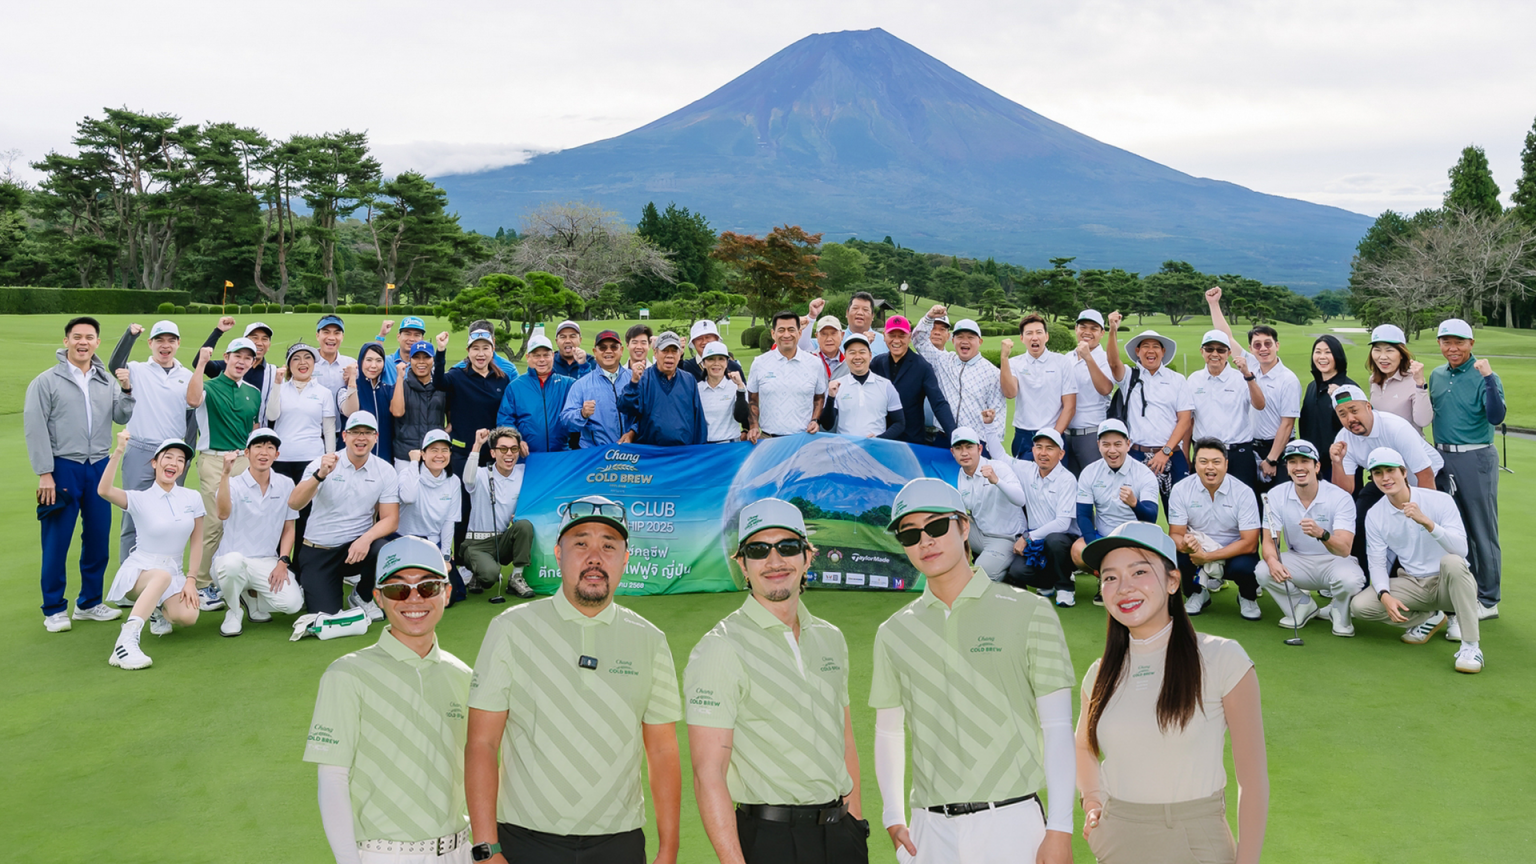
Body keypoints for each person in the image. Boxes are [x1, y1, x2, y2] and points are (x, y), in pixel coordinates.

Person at [466, 496, 682, 864]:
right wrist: (487, 849)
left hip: (620, 841)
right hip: (524, 839)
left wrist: (668, 850)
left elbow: (662, 751)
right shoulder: (510, 629)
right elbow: (482, 743)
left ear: (625, 558)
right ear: (558, 554)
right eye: (581, 543)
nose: (594, 557)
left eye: (608, 546)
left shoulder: (650, 639)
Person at [873, 478, 1075, 864]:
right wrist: (893, 814)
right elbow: (888, 729)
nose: (925, 541)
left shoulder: (1031, 611)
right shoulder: (894, 632)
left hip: (1013, 824)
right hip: (929, 832)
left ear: (964, 527)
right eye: (910, 534)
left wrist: (1061, 827)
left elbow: (1057, 727)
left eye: (935, 527)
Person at [686, 498, 867, 864]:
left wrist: (857, 829)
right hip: (770, 841)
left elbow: (844, 741)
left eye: (787, 547)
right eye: (758, 549)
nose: (774, 561)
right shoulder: (720, 648)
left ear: (807, 557)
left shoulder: (830, 637)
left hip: (841, 836)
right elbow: (710, 774)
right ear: (743, 564)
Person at [1076, 521, 1268, 864]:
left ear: (1172, 580)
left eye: (1139, 572)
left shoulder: (1223, 658)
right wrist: (1092, 801)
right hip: (1116, 840)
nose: (1123, 588)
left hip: (1195, 840)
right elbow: (1082, 744)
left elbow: (1252, 781)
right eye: (1110, 577)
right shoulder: (1099, 673)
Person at [304, 535, 474, 864]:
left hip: (462, 852)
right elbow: (332, 779)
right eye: (398, 589)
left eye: (428, 587)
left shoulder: (463, 676)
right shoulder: (346, 675)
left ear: (447, 593)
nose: (413, 599)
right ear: (378, 597)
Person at [27, 316, 136, 631]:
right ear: (66, 341)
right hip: (62, 467)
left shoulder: (105, 380)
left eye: (89, 337)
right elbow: (35, 430)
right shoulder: (46, 381)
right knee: (57, 540)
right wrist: (45, 473)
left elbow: (120, 414)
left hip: (99, 466)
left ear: (97, 343)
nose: (83, 342)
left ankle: (89, 602)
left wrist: (127, 389)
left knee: (99, 537)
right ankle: (54, 609)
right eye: (77, 336)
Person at [1348, 447, 1485, 673]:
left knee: (1451, 561)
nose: (1385, 478)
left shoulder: (1439, 500)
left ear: (1403, 472)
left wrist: (1427, 522)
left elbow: (1460, 549)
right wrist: (1384, 595)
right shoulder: (1375, 514)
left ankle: (1471, 647)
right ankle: (1428, 617)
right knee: (1360, 606)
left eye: (1390, 470)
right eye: (1378, 473)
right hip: (1413, 584)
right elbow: (1377, 562)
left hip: (1449, 585)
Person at [99, 433, 203, 669]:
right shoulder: (139, 498)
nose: (174, 464)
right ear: (155, 462)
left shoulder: (192, 497)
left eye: (180, 460)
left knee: (188, 617)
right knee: (161, 576)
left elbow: (197, 541)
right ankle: (125, 642)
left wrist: (191, 580)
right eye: (168, 457)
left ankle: (155, 607)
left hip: (173, 572)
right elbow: (104, 490)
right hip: (141, 571)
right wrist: (118, 451)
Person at [289, 411, 401, 626]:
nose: (361, 438)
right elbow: (295, 503)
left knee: (383, 549)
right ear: (345, 436)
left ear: (376, 437)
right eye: (356, 432)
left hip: (355, 549)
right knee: (326, 615)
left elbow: (390, 519)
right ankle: (313, 586)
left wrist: (365, 539)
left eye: (367, 433)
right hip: (319, 549)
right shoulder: (322, 464)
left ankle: (362, 594)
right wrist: (320, 475)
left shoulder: (385, 470)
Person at [1429, 317, 1505, 617]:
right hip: (1443, 458)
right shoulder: (1436, 375)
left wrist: (1488, 378)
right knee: (1455, 528)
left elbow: (1496, 416)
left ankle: (1489, 600)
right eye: (1446, 342)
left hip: (1476, 457)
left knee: (1481, 527)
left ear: (1471, 344)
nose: (1453, 348)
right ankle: (1467, 590)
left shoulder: (1485, 375)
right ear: (1439, 344)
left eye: (1459, 342)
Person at [1327, 384, 1444, 573]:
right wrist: (1337, 463)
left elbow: (1425, 475)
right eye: (1342, 414)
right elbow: (1344, 490)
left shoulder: (1395, 427)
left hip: (1427, 480)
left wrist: (1421, 516)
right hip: (1385, 482)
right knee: (1358, 520)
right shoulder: (1343, 439)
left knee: (1418, 531)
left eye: (1354, 410)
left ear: (1368, 407)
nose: (1350, 419)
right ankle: (1360, 582)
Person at [1253, 439, 1363, 637]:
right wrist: (1271, 560)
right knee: (1263, 570)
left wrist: (1322, 534)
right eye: (1292, 462)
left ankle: (1338, 609)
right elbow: (1270, 541)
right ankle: (1302, 605)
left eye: (1305, 461)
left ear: (1317, 466)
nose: (1299, 467)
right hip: (1298, 559)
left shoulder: (1340, 497)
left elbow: (1345, 549)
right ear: (1287, 468)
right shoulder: (1276, 495)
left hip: (1334, 561)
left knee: (1350, 580)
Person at [105, 320, 193, 565]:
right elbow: (115, 365)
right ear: (151, 343)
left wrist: (187, 456)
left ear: (178, 343)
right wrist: (130, 334)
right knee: (133, 515)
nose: (165, 346)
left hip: (173, 453)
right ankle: (130, 582)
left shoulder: (186, 376)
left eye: (171, 340)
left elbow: (191, 415)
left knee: (170, 516)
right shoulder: (136, 369)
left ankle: (165, 576)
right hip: (140, 449)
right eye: (160, 340)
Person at [187, 338, 263, 610]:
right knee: (215, 523)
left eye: (248, 358)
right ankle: (201, 583)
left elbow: (253, 426)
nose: (242, 362)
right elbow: (193, 399)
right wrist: (202, 365)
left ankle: (240, 578)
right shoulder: (208, 386)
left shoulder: (253, 392)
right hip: (214, 460)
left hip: (244, 461)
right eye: (237, 356)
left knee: (245, 519)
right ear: (227, 357)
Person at [1205, 289, 1301, 495]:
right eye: (1257, 345)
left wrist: (1272, 459)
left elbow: (1287, 424)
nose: (1263, 349)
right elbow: (1226, 336)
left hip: (1277, 450)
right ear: (1251, 348)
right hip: (1250, 448)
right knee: (1251, 504)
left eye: (1268, 344)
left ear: (1277, 345)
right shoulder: (1251, 364)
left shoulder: (1288, 379)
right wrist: (1214, 304)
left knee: (1275, 504)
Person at [212, 428, 303, 637]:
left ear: (277, 455)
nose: (264, 452)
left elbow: (289, 528)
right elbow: (223, 513)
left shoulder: (286, 484)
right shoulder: (232, 483)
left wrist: (283, 561)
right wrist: (225, 473)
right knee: (233, 563)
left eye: (270, 448)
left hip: (266, 561)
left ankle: (251, 598)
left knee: (293, 604)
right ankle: (234, 611)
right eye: (259, 447)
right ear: (247, 452)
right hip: (229, 562)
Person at [1104, 313, 1192, 508]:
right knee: (1137, 511)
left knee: (1180, 513)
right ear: (1137, 351)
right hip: (1136, 454)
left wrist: (1165, 452)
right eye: (1145, 346)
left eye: (1155, 347)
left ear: (1163, 351)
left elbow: (1184, 420)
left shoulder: (1176, 380)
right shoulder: (1129, 376)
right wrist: (1112, 330)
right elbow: (1113, 362)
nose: (1150, 351)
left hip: (1171, 453)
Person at [442, 328, 514, 563]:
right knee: (464, 507)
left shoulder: (502, 379)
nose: (480, 354)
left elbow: (508, 412)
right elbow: (437, 383)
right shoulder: (456, 376)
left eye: (485, 348)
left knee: (491, 506)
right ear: (468, 352)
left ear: (493, 350)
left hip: (494, 455)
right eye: (475, 349)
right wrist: (441, 351)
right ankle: (461, 560)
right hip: (464, 452)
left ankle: (490, 555)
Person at [1168, 439, 1262, 619]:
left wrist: (1208, 557)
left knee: (1247, 566)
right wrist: (1185, 544)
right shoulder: (1181, 489)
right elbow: (1175, 534)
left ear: (1226, 464)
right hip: (1199, 548)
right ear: (1195, 464)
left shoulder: (1243, 492)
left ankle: (1247, 596)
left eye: (1216, 462)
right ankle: (1196, 593)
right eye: (1203, 461)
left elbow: (1250, 543)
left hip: (1234, 552)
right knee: (1177, 555)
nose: (1209, 467)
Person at [1071, 420, 1161, 606]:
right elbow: (1084, 516)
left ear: (1128, 444)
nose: (1112, 450)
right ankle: (1107, 579)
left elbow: (1151, 518)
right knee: (1078, 551)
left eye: (1118, 444)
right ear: (1098, 445)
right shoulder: (1090, 472)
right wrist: (1097, 551)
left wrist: (1135, 504)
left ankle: (1128, 583)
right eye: (1106, 444)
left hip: (1136, 538)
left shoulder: (1144, 474)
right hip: (1103, 537)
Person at [989, 428, 1081, 606]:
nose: (1043, 453)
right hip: (1036, 541)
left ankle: (1065, 587)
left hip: (1064, 543)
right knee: (1017, 571)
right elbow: (1000, 456)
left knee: (1055, 541)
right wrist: (989, 426)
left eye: (1050, 448)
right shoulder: (1027, 469)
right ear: (1033, 451)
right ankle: (1048, 583)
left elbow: (1063, 523)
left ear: (1061, 454)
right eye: (1039, 447)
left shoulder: (1067, 479)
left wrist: (1028, 537)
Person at [1180, 329, 1265, 494]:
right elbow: (1189, 421)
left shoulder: (1241, 377)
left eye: (1220, 350)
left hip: (1237, 453)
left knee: (1243, 502)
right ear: (1201, 351)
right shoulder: (1193, 380)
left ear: (1229, 353)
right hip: (1204, 453)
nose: (1215, 354)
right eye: (1209, 349)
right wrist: (1185, 454)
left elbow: (1260, 404)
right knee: (1203, 501)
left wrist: (1248, 376)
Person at [269, 343, 337, 545]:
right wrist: (277, 385)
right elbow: (272, 415)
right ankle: (276, 563)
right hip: (282, 460)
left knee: (306, 514)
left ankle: (299, 567)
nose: (302, 363)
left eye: (307, 357)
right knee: (280, 512)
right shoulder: (280, 388)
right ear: (289, 364)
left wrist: (330, 458)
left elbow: (329, 428)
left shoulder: (323, 392)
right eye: (296, 358)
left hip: (311, 461)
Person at [460, 427, 536, 599]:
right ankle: (476, 572)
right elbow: (467, 480)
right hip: (476, 543)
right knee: (490, 577)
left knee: (525, 525)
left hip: (502, 540)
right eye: (503, 449)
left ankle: (516, 577)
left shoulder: (524, 471)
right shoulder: (479, 473)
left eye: (513, 449)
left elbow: (545, 476)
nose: (509, 454)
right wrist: (477, 445)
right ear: (493, 453)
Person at [949, 426, 1027, 581]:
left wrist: (996, 481)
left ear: (979, 449)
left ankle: (1005, 576)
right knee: (947, 524)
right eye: (959, 448)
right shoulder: (958, 475)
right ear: (953, 452)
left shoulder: (998, 467)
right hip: (980, 534)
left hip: (1006, 537)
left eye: (969, 447)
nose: (964, 453)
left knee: (977, 578)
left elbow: (1020, 500)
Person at [869, 315, 955, 448]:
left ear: (909, 337)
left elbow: (938, 403)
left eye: (902, 335)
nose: (896, 340)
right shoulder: (877, 363)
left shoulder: (922, 367)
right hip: (880, 438)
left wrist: (955, 436)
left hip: (911, 441)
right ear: (884, 336)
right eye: (892, 335)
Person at [999, 314, 1076, 460]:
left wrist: (1052, 437)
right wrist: (1004, 358)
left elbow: (1070, 406)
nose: (1034, 337)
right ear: (1022, 338)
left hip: (1054, 432)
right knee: (1024, 481)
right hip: (1024, 435)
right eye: (1029, 333)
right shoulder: (1015, 363)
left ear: (1046, 336)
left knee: (1055, 481)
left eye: (1039, 332)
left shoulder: (1062, 362)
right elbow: (1010, 393)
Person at [746, 311, 828, 441]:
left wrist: (815, 420)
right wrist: (754, 425)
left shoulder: (815, 363)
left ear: (799, 333)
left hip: (803, 440)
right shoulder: (759, 363)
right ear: (773, 334)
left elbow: (819, 398)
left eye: (791, 330)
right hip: (768, 440)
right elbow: (752, 400)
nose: (786, 335)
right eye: (781, 330)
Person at [619, 330, 708, 446]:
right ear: (655, 353)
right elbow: (626, 408)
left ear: (680, 353)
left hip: (683, 453)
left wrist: (700, 449)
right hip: (651, 453)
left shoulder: (689, 380)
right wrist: (634, 383)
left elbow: (698, 419)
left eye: (674, 351)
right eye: (665, 350)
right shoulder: (643, 378)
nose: (669, 355)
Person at [818, 332, 905, 439]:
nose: (857, 357)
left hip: (876, 451)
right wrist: (831, 397)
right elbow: (827, 425)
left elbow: (899, 423)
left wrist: (879, 439)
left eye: (862, 352)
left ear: (870, 355)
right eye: (852, 352)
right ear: (845, 356)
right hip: (845, 450)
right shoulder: (837, 386)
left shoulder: (885, 385)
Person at [495, 334, 573, 453]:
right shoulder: (515, 387)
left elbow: (588, 392)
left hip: (561, 455)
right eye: (536, 356)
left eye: (546, 355)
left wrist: (584, 365)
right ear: (528, 357)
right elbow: (505, 419)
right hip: (527, 456)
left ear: (553, 356)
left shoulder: (567, 384)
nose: (542, 360)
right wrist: (516, 440)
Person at [1062, 310, 1117, 476]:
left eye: (1094, 328)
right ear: (1076, 329)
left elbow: (1105, 389)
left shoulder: (1105, 358)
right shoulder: (1067, 358)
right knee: (1069, 490)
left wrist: (1088, 358)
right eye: (1083, 327)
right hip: (1066, 434)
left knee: (1097, 486)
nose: (1087, 332)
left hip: (1091, 434)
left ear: (1102, 333)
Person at [561, 329, 634, 448]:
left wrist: (632, 432)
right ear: (595, 352)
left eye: (614, 347)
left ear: (621, 350)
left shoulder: (635, 379)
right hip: (596, 456)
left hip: (631, 453)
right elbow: (566, 421)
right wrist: (582, 414)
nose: (608, 351)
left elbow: (649, 414)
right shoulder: (581, 385)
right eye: (603, 348)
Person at [1297, 335, 1355, 483]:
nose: (1322, 357)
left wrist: (1340, 400)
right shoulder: (1312, 387)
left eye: (1328, 352)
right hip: (1314, 464)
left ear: (1337, 356)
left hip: (1341, 464)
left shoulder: (1348, 389)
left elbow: (1357, 426)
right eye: (1318, 352)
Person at [397, 429, 462, 559]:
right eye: (434, 450)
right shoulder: (407, 473)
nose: (440, 455)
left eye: (444, 450)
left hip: (432, 542)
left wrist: (446, 554)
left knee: (452, 579)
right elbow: (409, 498)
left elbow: (449, 521)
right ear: (423, 454)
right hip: (402, 540)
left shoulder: (453, 481)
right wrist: (414, 462)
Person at [198, 318, 278, 424]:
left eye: (264, 339)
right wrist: (218, 331)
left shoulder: (274, 372)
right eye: (255, 338)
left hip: (260, 434)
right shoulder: (229, 366)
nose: (259, 343)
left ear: (269, 344)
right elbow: (199, 362)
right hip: (230, 433)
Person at [390, 332, 451, 467]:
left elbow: (453, 417)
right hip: (405, 454)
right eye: (416, 358)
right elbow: (397, 412)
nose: (421, 362)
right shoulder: (402, 386)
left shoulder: (441, 387)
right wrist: (400, 378)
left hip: (434, 453)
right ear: (410, 361)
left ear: (433, 360)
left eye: (426, 357)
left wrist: (441, 434)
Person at [1366, 324, 1431, 436]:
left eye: (1389, 351)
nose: (1382, 357)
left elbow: (1423, 421)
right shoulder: (1373, 380)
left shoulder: (1413, 380)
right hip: (1383, 449)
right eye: (1377, 350)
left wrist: (1421, 385)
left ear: (1401, 354)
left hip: (1409, 449)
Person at [340, 342, 396, 462]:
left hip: (383, 460)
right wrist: (352, 380)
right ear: (360, 362)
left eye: (379, 360)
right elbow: (350, 411)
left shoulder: (389, 390)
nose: (374, 365)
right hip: (352, 461)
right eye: (369, 360)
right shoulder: (345, 390)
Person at [697, 342, 750, 444]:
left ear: (726, 363)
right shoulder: (697, 389)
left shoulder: (736, 386)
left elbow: (741, 416)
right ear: (703, 363)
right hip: (705, 446)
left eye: (721, 359)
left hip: (730, 445)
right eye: (711, 359)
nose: (716, 363)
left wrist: (740, 388)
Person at [312, 314, 360, 425]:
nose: (331, 337)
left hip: (343, 430)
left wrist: (352, 382)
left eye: (337, 333)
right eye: (326, 332)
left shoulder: (351, 364)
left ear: (342, 337)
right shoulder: (307, 364)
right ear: (317, 335)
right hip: (313, 432)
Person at [807, 293, 888, 354]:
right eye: (855, 308)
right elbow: (803, 346)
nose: (860, 312)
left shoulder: (884, 341)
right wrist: (811, 317)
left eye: (865, 310)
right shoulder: (833, 337)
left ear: (872, 316)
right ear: (847, 313)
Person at [679, 319, 744, 381]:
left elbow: (743, 389)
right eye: (699, 338)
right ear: (693, 342)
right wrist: (679, 354)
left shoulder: (733, 367)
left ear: (716, 339)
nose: (704, 342)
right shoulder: (686, 367)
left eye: (708, 337)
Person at [373, 314, 427, 386]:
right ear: (398, 337)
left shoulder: (426, 365)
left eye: (416, 335)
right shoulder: (387, 362)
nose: (411, 339)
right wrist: (381, 335)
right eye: (407, 334)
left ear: (422, 339)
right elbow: (374, 361)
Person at [798, 313, 848, 380]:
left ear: (842, 335)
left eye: (833, 333)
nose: (829, 339)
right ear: (816, 336)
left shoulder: (850, 363)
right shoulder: (808, 360)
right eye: (823, 334)